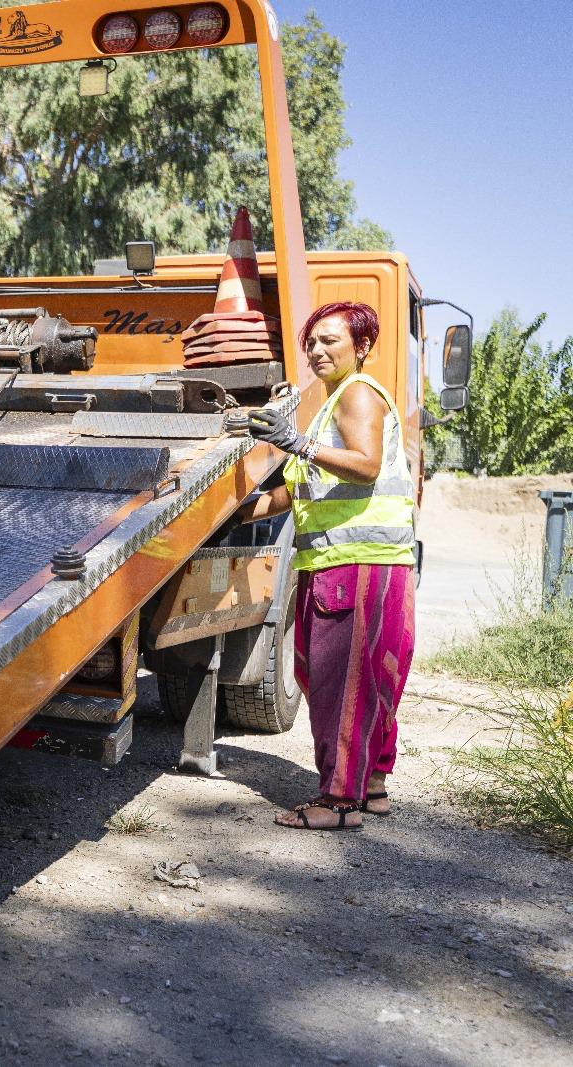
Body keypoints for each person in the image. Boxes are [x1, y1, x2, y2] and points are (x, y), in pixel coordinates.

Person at [238, 301, 417, 831]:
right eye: (310, 342)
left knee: (340, 683)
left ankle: (338, 803)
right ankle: (373, 786)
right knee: (370, 678)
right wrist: (231, 517)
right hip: (363, 563)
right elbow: (297, 493)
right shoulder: (332, 403)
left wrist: (295, 442)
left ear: (361, 347)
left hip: (353, 564)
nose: (316, 351)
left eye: (330, 341)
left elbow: (362, 467)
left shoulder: (356, 395)